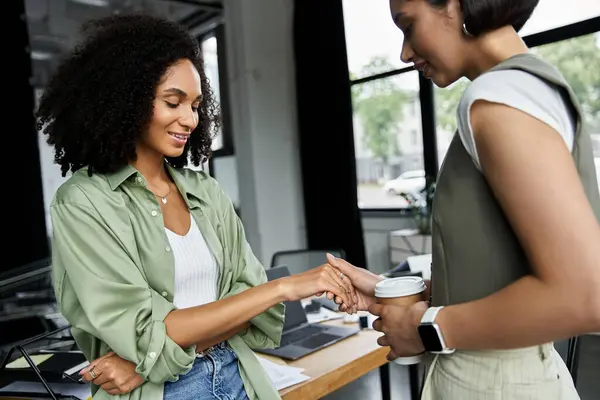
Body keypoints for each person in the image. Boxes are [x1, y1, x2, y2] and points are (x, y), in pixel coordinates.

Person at [37, 14, 357, 400]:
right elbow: (145, 334)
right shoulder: (84, 203)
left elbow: (250, 310)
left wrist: (152, 356)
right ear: (126, 99)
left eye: (196, 104)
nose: (190, 119)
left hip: (237, 378)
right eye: (173, 102)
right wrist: (283, 287)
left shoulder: (206, 192)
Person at [328, 0, 600, 398]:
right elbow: (501, 268)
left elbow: (583, 296)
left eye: (408, 25)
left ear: (454, 6)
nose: (404, 52)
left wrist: (427, 328)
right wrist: (398, 292)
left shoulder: (498, 99)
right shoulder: (522, 88)